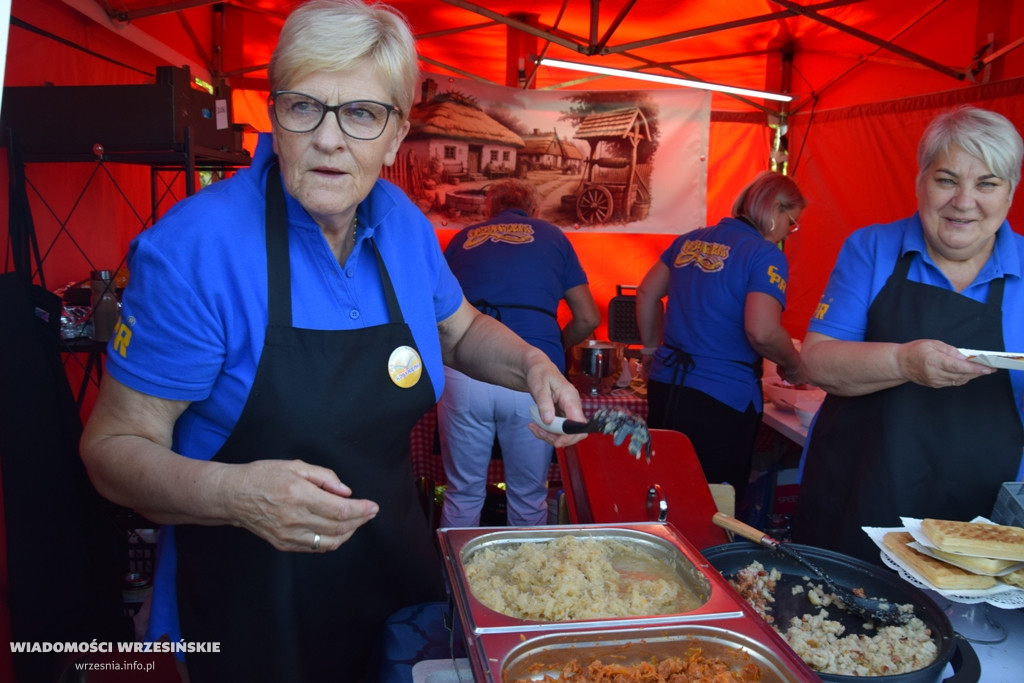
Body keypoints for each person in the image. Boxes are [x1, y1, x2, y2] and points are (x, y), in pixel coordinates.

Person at [77, 2, 587, 681]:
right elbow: (110, 450)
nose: (329, 139)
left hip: (393, 594)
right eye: (304, 107)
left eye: (362, 114)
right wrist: (236, 494)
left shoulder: (402, 223)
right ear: (275, 113)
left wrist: (532, 363)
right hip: (249, 613)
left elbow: (458, 328)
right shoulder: (195, 251)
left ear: (396, 131)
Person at [792, 105, 1024, 565]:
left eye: (987, 184)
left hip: (978, 524)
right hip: (858, 495)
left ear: (1010, 193)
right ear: (920, 181)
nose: (964, 201)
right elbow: (816, 361)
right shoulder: (873, 248)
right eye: (947, 179)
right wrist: (903, 363)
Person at [636, 171, 807, 502]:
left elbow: (645, 292)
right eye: (792, 222)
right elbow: (762, 330)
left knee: (663, 489)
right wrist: (794, 364)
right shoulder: (764, 254)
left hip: (666, 385)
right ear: (775, 209)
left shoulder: (689, 239)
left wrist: (650, 350)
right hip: (721, 397)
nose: (790, 232)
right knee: (712, 502)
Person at [437, 179, 600, 528]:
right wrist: (554, 345)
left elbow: (437, 314)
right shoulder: (554, 236)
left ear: (488, 209)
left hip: (465, 369)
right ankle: (527, 583)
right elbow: (588, 316)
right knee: (528, 496)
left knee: (462, 492)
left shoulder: (461, 239)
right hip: (533, 375)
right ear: (534, 208)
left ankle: (451, 582)